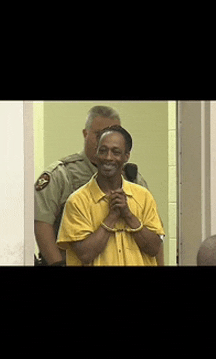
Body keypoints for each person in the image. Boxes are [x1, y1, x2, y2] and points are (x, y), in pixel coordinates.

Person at [34, 105, 156, 266]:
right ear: (86, 134)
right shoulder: (62, 174)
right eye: (99, 134)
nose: (108, 138)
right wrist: (56, 264)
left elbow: (155, 240)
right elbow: (42, 223)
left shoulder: (133, 179)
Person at [57, 126, 165, 266]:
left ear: (126, 156)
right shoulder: (77, 201)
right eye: (103, 151)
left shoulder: (143, 196)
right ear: (96, 154)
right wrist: (111, 217)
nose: (108, 157)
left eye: (116, 152)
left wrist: (128, 215)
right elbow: (85, 254)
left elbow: (154, 248)